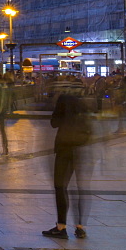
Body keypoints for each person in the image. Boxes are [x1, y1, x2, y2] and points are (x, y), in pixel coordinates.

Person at [43, 91, 91, 239]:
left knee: (60, 187)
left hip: (64, 151)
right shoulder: (82, 113)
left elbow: (53, 123)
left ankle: (61, 227)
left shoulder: (63, 111)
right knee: (80, 188)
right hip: (81, 152)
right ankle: (80, 227)